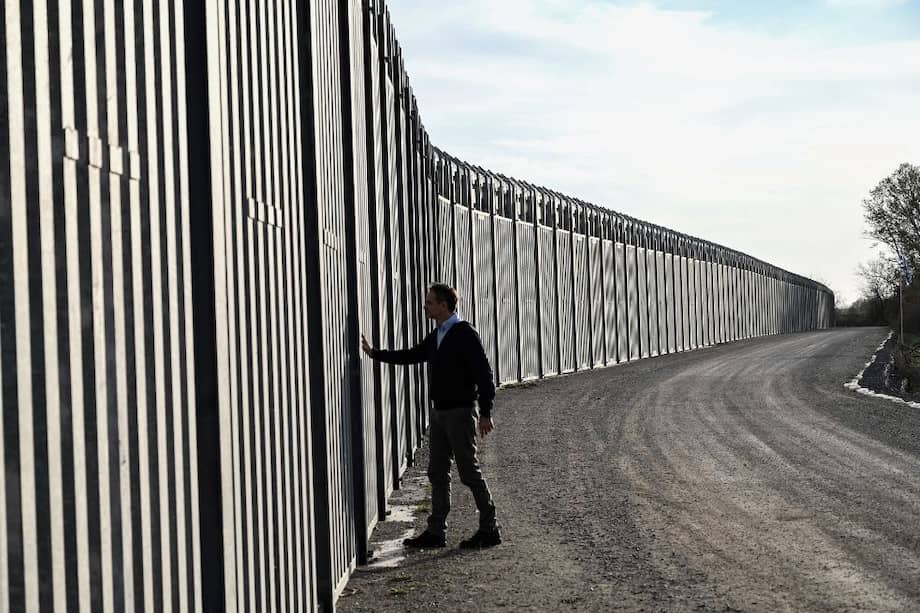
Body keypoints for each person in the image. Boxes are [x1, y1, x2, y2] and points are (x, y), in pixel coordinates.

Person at [361, 283, 501, 549]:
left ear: (444, 306)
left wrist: (485, 412)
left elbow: (485, 375)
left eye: (430, 302)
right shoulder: (437, 336)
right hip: (439, 413)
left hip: (460, 413)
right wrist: (375, 354)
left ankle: (489, 528)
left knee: (469, 472)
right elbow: (412, 354)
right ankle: (436, 531)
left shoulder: (464, 333)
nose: (426, 306)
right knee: (437, 472)